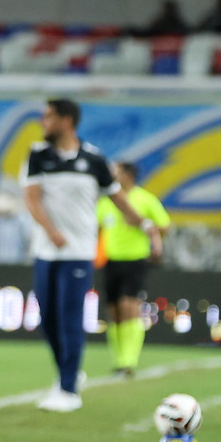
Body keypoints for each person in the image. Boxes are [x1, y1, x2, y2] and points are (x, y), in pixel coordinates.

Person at [23, 98, 162, 413]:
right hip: (46, 251)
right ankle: (68, 372)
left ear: (66, 121)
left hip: (78, 253)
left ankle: (69, 389)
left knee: (70, 317)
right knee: (48, 319)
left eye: (48, 117)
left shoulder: (94, 159)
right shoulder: (38, 156)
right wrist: (51, 231)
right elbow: (31, 198)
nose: (43, 122)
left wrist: (147, 225)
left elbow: (119, 200)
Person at [97, 161, 169, 378]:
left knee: (129, 305)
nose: (113, 176)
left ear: (128, 175)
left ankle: (129, 360)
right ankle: (119, 360)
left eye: (116, 172)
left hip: (135, 259)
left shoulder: (144, 199)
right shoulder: (106, 201)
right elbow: (98, 227)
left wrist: (153, 241)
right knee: (114, 310)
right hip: (111, 260)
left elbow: (164, 226)